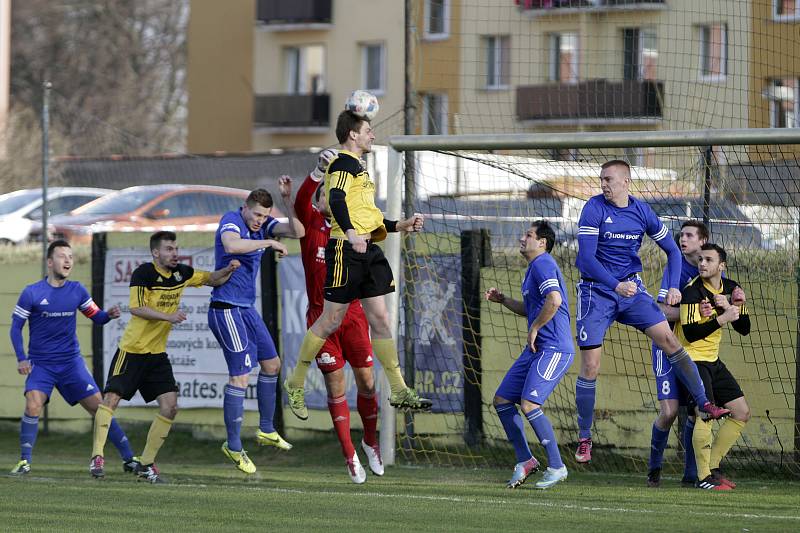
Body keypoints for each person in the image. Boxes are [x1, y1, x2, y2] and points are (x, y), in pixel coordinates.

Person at [573, 160, 729, 464]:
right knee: (591, 365)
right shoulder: (593, 209)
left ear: (625, 181)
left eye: (608, 179)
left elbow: (672, 250)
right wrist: (615, 286)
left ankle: (704, 403)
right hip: (597, 291)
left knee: (669, 342)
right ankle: (584, 437)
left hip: (631, 290)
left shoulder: (641, 210)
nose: (603, 184)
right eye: (601, 179)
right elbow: (587, 260)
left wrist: (672, 286)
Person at [283, 110, 432, 419]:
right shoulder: (342, 162)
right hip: (347, 249)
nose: (372, 135)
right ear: (353, 134)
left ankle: (399, 389)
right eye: (367, 130)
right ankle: (295, 381)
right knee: (330, 321)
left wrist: (402, 225)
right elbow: (335, 199)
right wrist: (350, 233)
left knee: (380, 318)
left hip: (369, 249)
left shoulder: (360, 169)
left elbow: (370, 217)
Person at [91, 231, 239, 482]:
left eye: (176, 248)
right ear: (155, 253)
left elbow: (212, 279)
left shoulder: (182, 272)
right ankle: (97, 456)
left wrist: (230, 268)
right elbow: (137, 308)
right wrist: (168, 316)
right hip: (132, 350)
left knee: (171, 407)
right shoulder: (144, 273)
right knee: (110, 400)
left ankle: (146, 464)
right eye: (169, 249)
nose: (175, 253)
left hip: (156, 355)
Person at [293, 149, 383, 483]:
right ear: (320, 201)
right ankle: (349, 456)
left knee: (368, 383)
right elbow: (301, 200)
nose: (333, 194)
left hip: (353, 314)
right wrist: (317, 171)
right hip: (322, 319)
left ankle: (370, 441)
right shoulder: (311, 224)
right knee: (336, 386)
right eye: (326, 191)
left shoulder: (353, 225)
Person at [9, 240, 135, 476]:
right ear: (49, 262)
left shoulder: (77, 290)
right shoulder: (32, 293)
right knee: (32, 404)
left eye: (70, 256)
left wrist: (108, 315)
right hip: (41, 365)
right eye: (62, 256)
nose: (68, 260)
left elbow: (95, 316)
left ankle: (130, 458)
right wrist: (21, 358)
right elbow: (15, 328)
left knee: (100, 409)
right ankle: (24, 462)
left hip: (70, 364)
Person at [209, 183, 304, 474]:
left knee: (272, 365)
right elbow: (232, 246)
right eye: (256, 215)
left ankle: (266, 429)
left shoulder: (265, 224)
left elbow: (299, 232)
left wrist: (288, 201)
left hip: (247, 309)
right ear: (246, 207)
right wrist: (269, 243)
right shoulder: (231, 219)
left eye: (264, 217)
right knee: (239, 377)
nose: (260, 221)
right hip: (226, 309)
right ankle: (234, 446)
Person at [646, 221, 747, 487]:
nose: (683, 239)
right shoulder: (677, 269)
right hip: (667, 346)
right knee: (669, 413)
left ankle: (696, 474)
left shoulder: (716, 275)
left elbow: (740, 323)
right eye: (681, 235)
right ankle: (655, 470)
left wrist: (733, 304)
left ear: (705, 242)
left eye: (689, 235)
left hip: (698, 354)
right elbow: (660, 312)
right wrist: (693, 312)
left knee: (700, 412)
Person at [486, 221, 573, 489]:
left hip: (554, 348)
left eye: (529, 235)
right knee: (502, 400)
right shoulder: (533, 269)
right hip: (536, 350)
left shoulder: (544, 264)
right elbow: (531, 308)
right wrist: (504, 301)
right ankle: (526, 460)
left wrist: (535, 328)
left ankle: (557, 466)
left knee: (529, 405)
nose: (522, 238)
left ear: (542, 242)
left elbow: (554, 300)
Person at [675, 243, 750, 490]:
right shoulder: (691, 291)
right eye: (700, 260)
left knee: (741, 412)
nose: (703, 264)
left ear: (721, 266)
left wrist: (734, 307)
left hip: (713, 361)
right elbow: (691, 333)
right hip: (691, 360)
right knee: (705, 414)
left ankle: (713, 467)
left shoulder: (732, 288)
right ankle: (703, 477)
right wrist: (721, 318)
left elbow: (744, 329)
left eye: (708, 260)